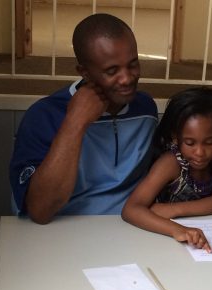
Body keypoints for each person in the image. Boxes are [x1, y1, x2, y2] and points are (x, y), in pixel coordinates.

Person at [9, 13, 158, 224]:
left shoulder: (145, 108)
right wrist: (75, 121)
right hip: (62, 230)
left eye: (133, 65)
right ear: (84, 73)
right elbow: (40, 210)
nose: (126, 78)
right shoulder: (44, 116)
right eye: (112, 71)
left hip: (129, 226)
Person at [121, 87, 212, 251]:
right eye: (190, 143)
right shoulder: (170, 163)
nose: (200, 152)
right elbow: (131, 210)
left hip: (207, 236)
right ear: (175, 137)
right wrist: (178, 230)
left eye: (209, 142)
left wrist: (173, 210)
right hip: (161, 238)